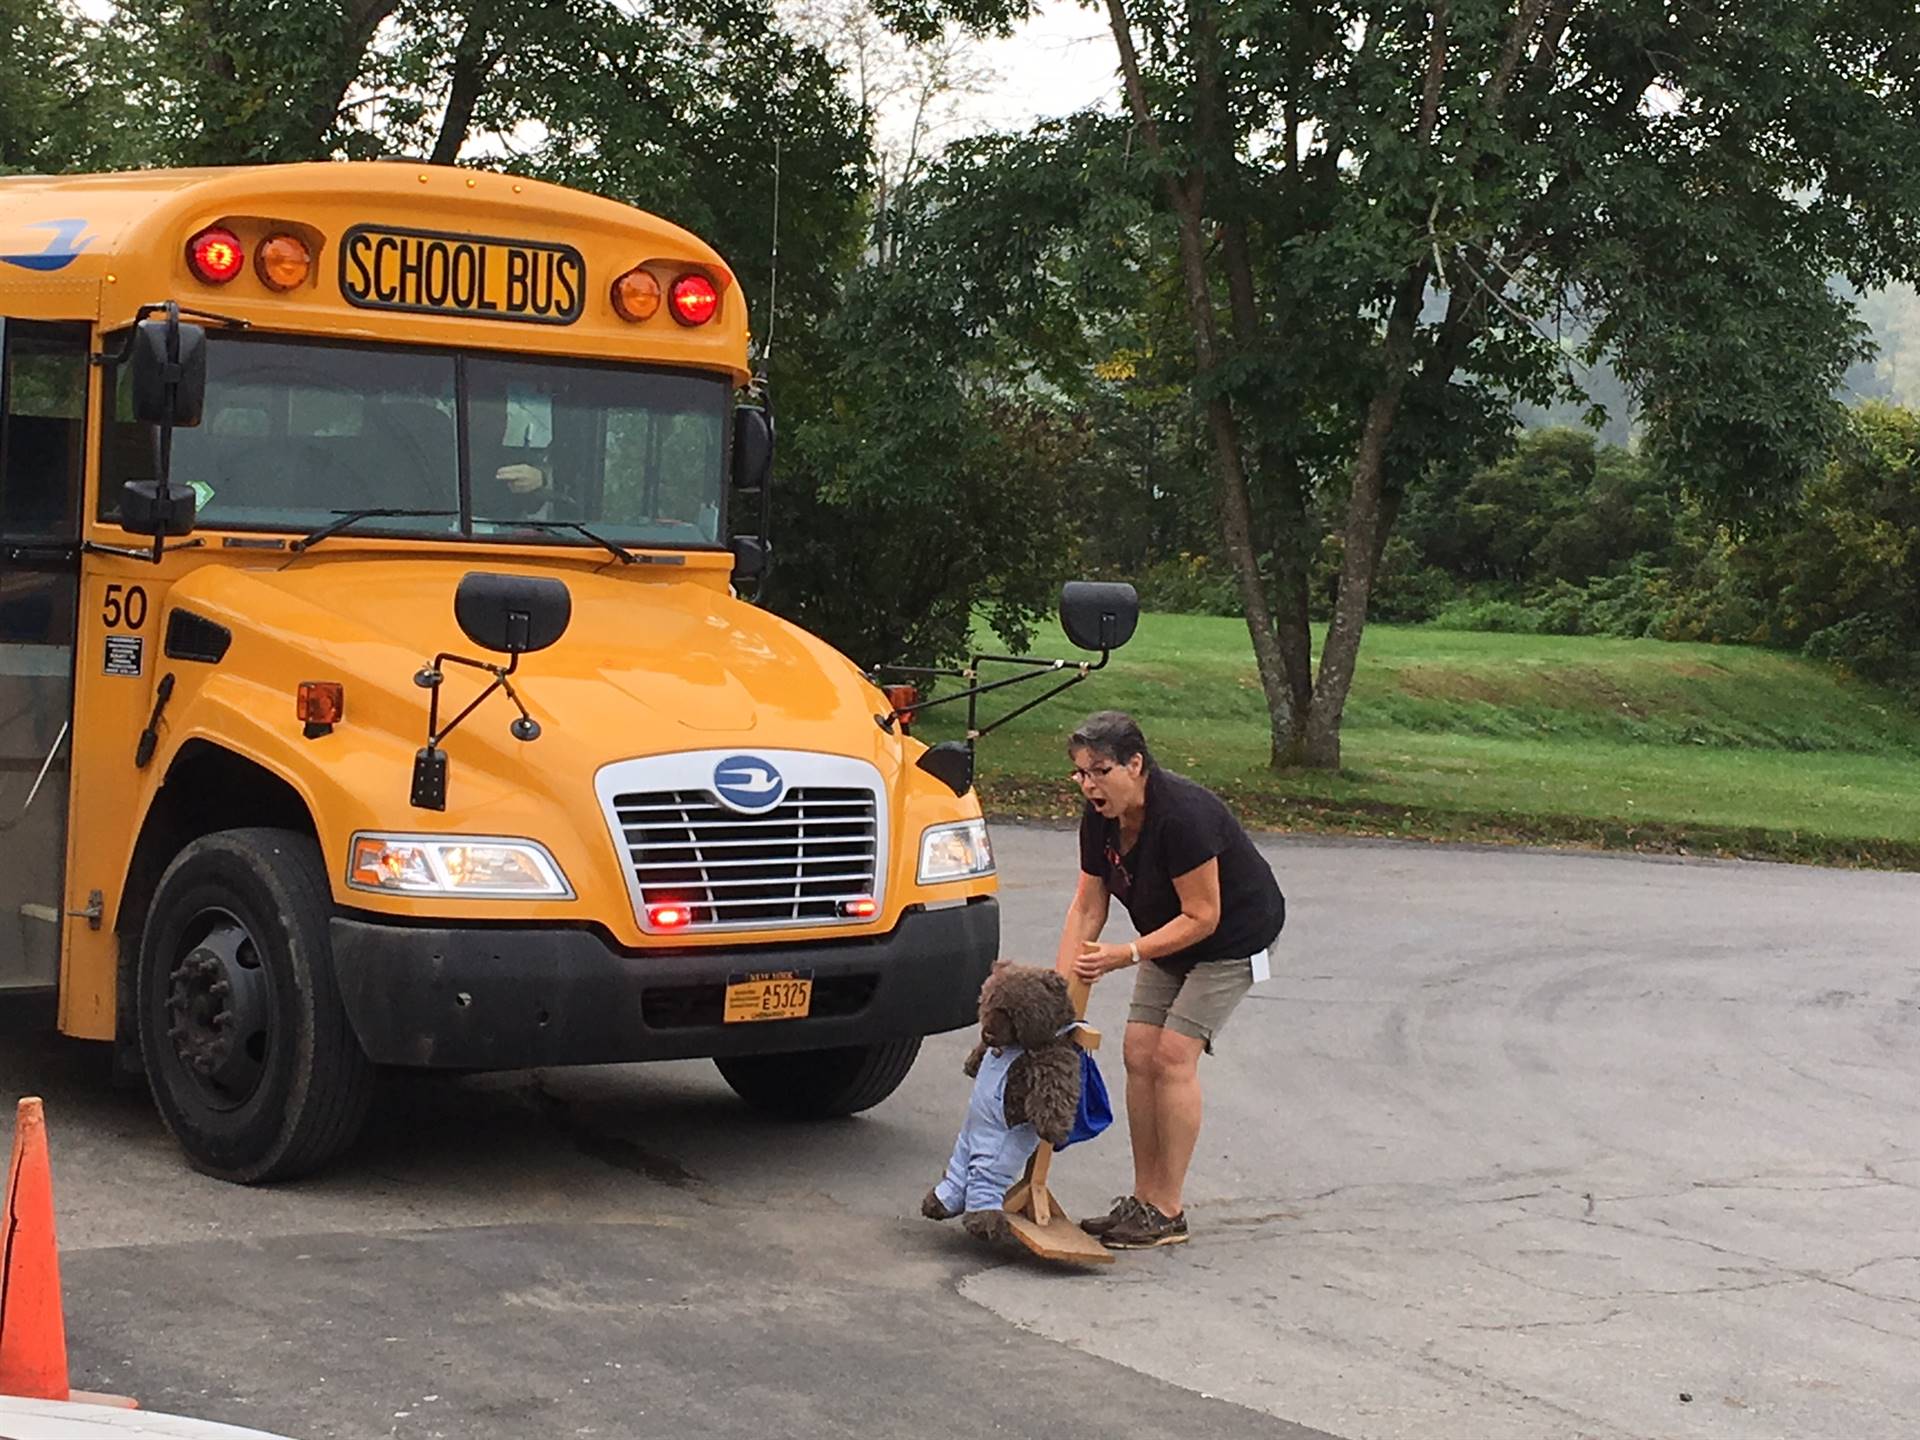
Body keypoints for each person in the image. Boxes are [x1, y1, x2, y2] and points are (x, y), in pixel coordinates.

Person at [1053, 710, 1286, 1249]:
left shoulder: (1183, 816)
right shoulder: (1101, 818)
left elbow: (1204, 915)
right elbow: (1088, 906)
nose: (1089, 784)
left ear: (1136, 765)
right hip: (1167, 934)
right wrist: (1060, 992)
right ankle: (1142, 1198)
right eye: (1080, 773)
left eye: (1100, 770)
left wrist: (1127, 953)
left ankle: (1168, 1209)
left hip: (1232, 938)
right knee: (1138, 1050)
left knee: (1172, 1055)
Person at [467, 388, 554, 521]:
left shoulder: (517, 463)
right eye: (484, 415)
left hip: (503, 537)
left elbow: (533, 504)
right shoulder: (441, 454)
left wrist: (541, 478)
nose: (495, 425)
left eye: (500, 417)